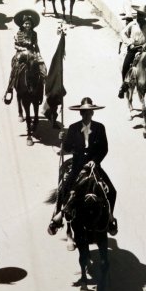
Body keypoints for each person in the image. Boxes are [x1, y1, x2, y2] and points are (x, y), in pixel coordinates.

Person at [49, 97, 116, 233]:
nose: (87, 115)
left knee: (112, 191)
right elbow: (67, 147)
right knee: (64, 190)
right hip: (77, 166)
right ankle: (58, 217)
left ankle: (110, 218)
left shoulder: (99, 128)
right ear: (80, 113)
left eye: (89, 112)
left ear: (93, 113)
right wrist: (62, 138)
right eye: (84, 112)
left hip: (94, 166)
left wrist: (95, 161)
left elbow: (104, 148)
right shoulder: (73, 128)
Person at [3, 10, 42, 102]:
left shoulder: (34, 33)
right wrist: (23, 49)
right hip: (21, 53)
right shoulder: (20, 33)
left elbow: (36, 45)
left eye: (29, 24)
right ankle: (10, 88)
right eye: (26, 24)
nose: (27, 25)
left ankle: (42, 89)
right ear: (23, 24)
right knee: (16, 68)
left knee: (42, 67)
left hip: (32, 53)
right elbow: (16, 45)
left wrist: (38, 53)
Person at [118, 6, 146, 98]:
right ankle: (124, 85)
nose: (139, 17)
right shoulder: (132, 24)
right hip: (133, 49)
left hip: (145, 50)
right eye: (139, 14)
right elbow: (123, 33)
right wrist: (129, 43)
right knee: (126, 66)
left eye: (142, 15)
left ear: (145, 16)